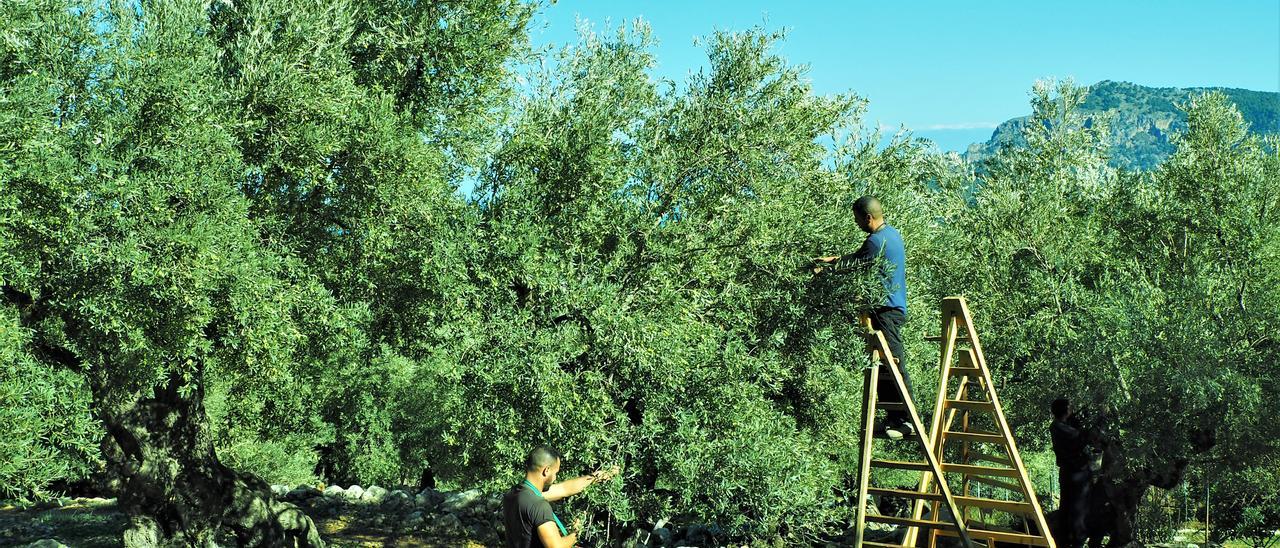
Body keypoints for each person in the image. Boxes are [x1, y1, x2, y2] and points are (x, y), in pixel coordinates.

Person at [814, 196, 912, 439]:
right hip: (891, 308)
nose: (856, 223)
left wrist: (825, 269)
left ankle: (906, 420)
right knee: (883, 365)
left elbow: (854, 264)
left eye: (857, 219)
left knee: (893, 364)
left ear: (868, 218)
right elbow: (858, 257)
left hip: (885, 310)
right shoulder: (891, 234)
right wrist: (835, 260)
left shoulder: (875, 241)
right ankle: (894, 418)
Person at [502, 445, 620, 548]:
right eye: (556, 473)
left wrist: (598, 476)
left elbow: (564, 489)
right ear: (546, 470)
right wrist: (576, 531)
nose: (555, 478)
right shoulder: (539, 505)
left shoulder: (513, 493)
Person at [1050, 398, 1093, 548]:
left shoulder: (1058, 426)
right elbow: (1081, 437)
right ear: (1066, 410)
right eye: (1070, 408)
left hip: (1069, 473)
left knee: (1068, 508)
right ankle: (1076, 541)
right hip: (1076, 473)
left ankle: (1067, 540)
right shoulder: (1059, 427)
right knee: (1077, 509)